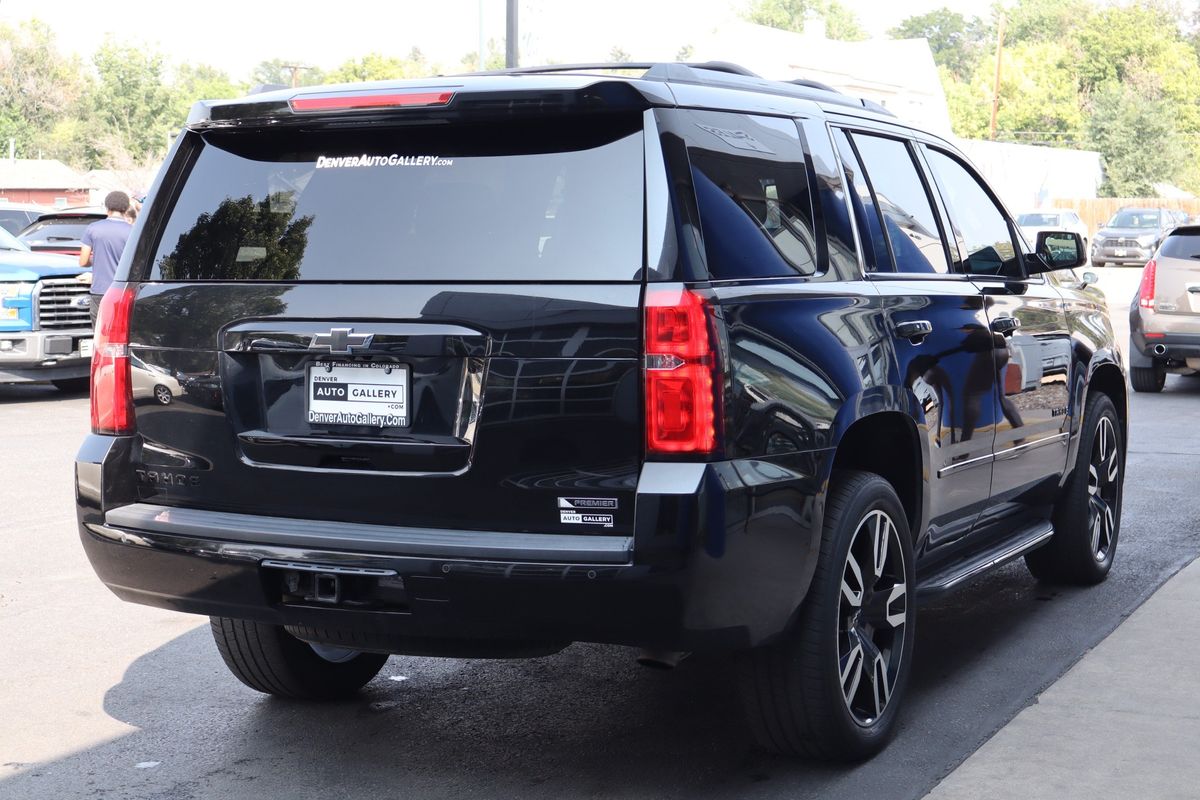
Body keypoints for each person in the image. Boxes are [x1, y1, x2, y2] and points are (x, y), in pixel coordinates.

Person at [80, 191, 133, 326]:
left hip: (99, 291)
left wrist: (97, 261)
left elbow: (83, 261)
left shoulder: (93, 229)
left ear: (107, 208)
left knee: (100, 334)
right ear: (126, 209)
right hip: (123, 291)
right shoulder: (133, 231)